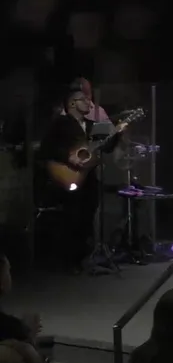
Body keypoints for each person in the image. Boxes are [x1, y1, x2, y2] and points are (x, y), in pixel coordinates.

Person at [39, 87, 129, 272]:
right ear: (72, 103)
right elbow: (46, 149)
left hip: (88, 178)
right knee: (72, 217)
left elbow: (105, 148)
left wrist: (117, 133)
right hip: (68, 175)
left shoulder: (92, 126)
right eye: (84, 99)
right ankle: (69, 261)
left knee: (87, 216)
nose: (89, 103)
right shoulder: (60, 124)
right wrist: (68, 156)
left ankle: (82, 258)